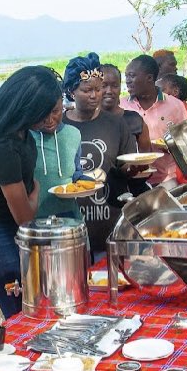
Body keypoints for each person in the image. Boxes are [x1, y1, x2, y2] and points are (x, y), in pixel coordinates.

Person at [0, 66, 63, 318]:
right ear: (27, 107)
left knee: (31, 308)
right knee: (22, 313)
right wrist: (35, 192)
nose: (52, 119)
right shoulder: (3, 144)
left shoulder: (9, 129)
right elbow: (23, 216)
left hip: (4, 230)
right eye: (46, 112)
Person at [62, 54, 140, 258]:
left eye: (98, 89)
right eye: (87, 90)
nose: (95, 95)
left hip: (110, 225)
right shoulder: (60, 126)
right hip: (71, 229)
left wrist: (132, 170)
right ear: (71, 91)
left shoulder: (115, 124)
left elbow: (126, 165)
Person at [120, 54, 187, 185]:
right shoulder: (121, 106)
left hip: (167, 181)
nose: (127, 81)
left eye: (132, 76)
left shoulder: (175, 106)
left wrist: (171, 147)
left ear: (149, 78)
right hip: (131, 180)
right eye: (126, 76)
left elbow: (185, 143)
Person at [31, 113, 83, 220]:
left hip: (68, 215)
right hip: (32, 216)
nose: (49, 119)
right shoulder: (25, 136)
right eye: (44, 112)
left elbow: (76, 172)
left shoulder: (73, 134)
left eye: (55, 111)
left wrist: (84, 180)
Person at [100, 63, 148, 152]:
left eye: (115, 86)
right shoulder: (88, 119)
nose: (109, 91)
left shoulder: (135, 120)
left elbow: (145, 158)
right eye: (104, 86)